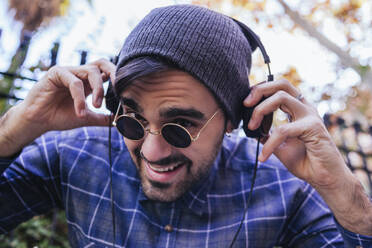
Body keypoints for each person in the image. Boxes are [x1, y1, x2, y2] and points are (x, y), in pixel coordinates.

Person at [1, 4, 371, 247]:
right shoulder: (76, 152)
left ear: (233, 119)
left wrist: (345, 194)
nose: (151, 151)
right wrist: (11, 133)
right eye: (131, 120)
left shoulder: (284, 190)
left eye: (180, 126)